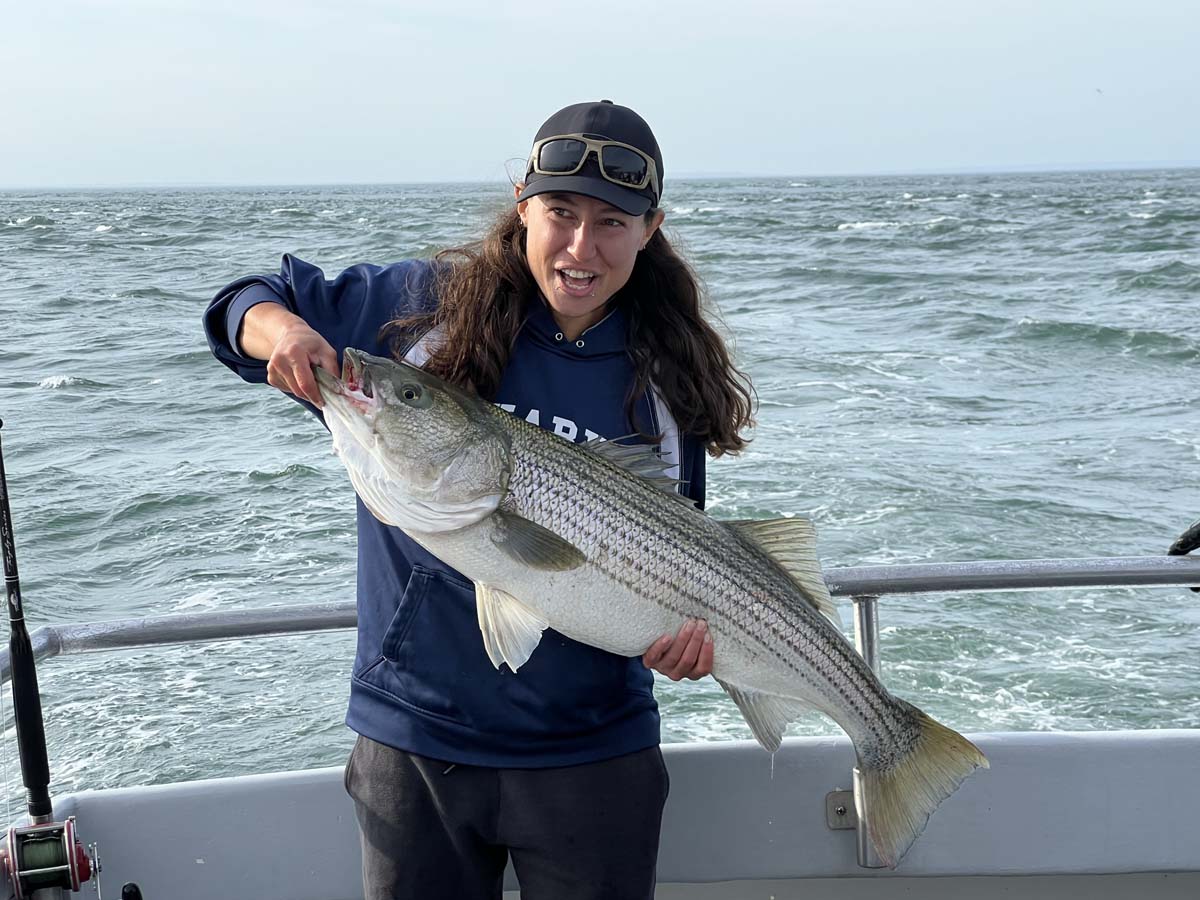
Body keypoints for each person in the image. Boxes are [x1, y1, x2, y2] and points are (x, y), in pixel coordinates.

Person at [203, 100, 754, 900]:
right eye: (560, 212)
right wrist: (279, 334)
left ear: (651, 228)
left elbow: (670, 553)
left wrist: (685, 647)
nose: (579, 246)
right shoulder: (417, 310)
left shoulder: (666, 377)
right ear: (523, 204)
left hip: (593, 756)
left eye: (612, 222)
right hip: (415, 744)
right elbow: (244, 300)